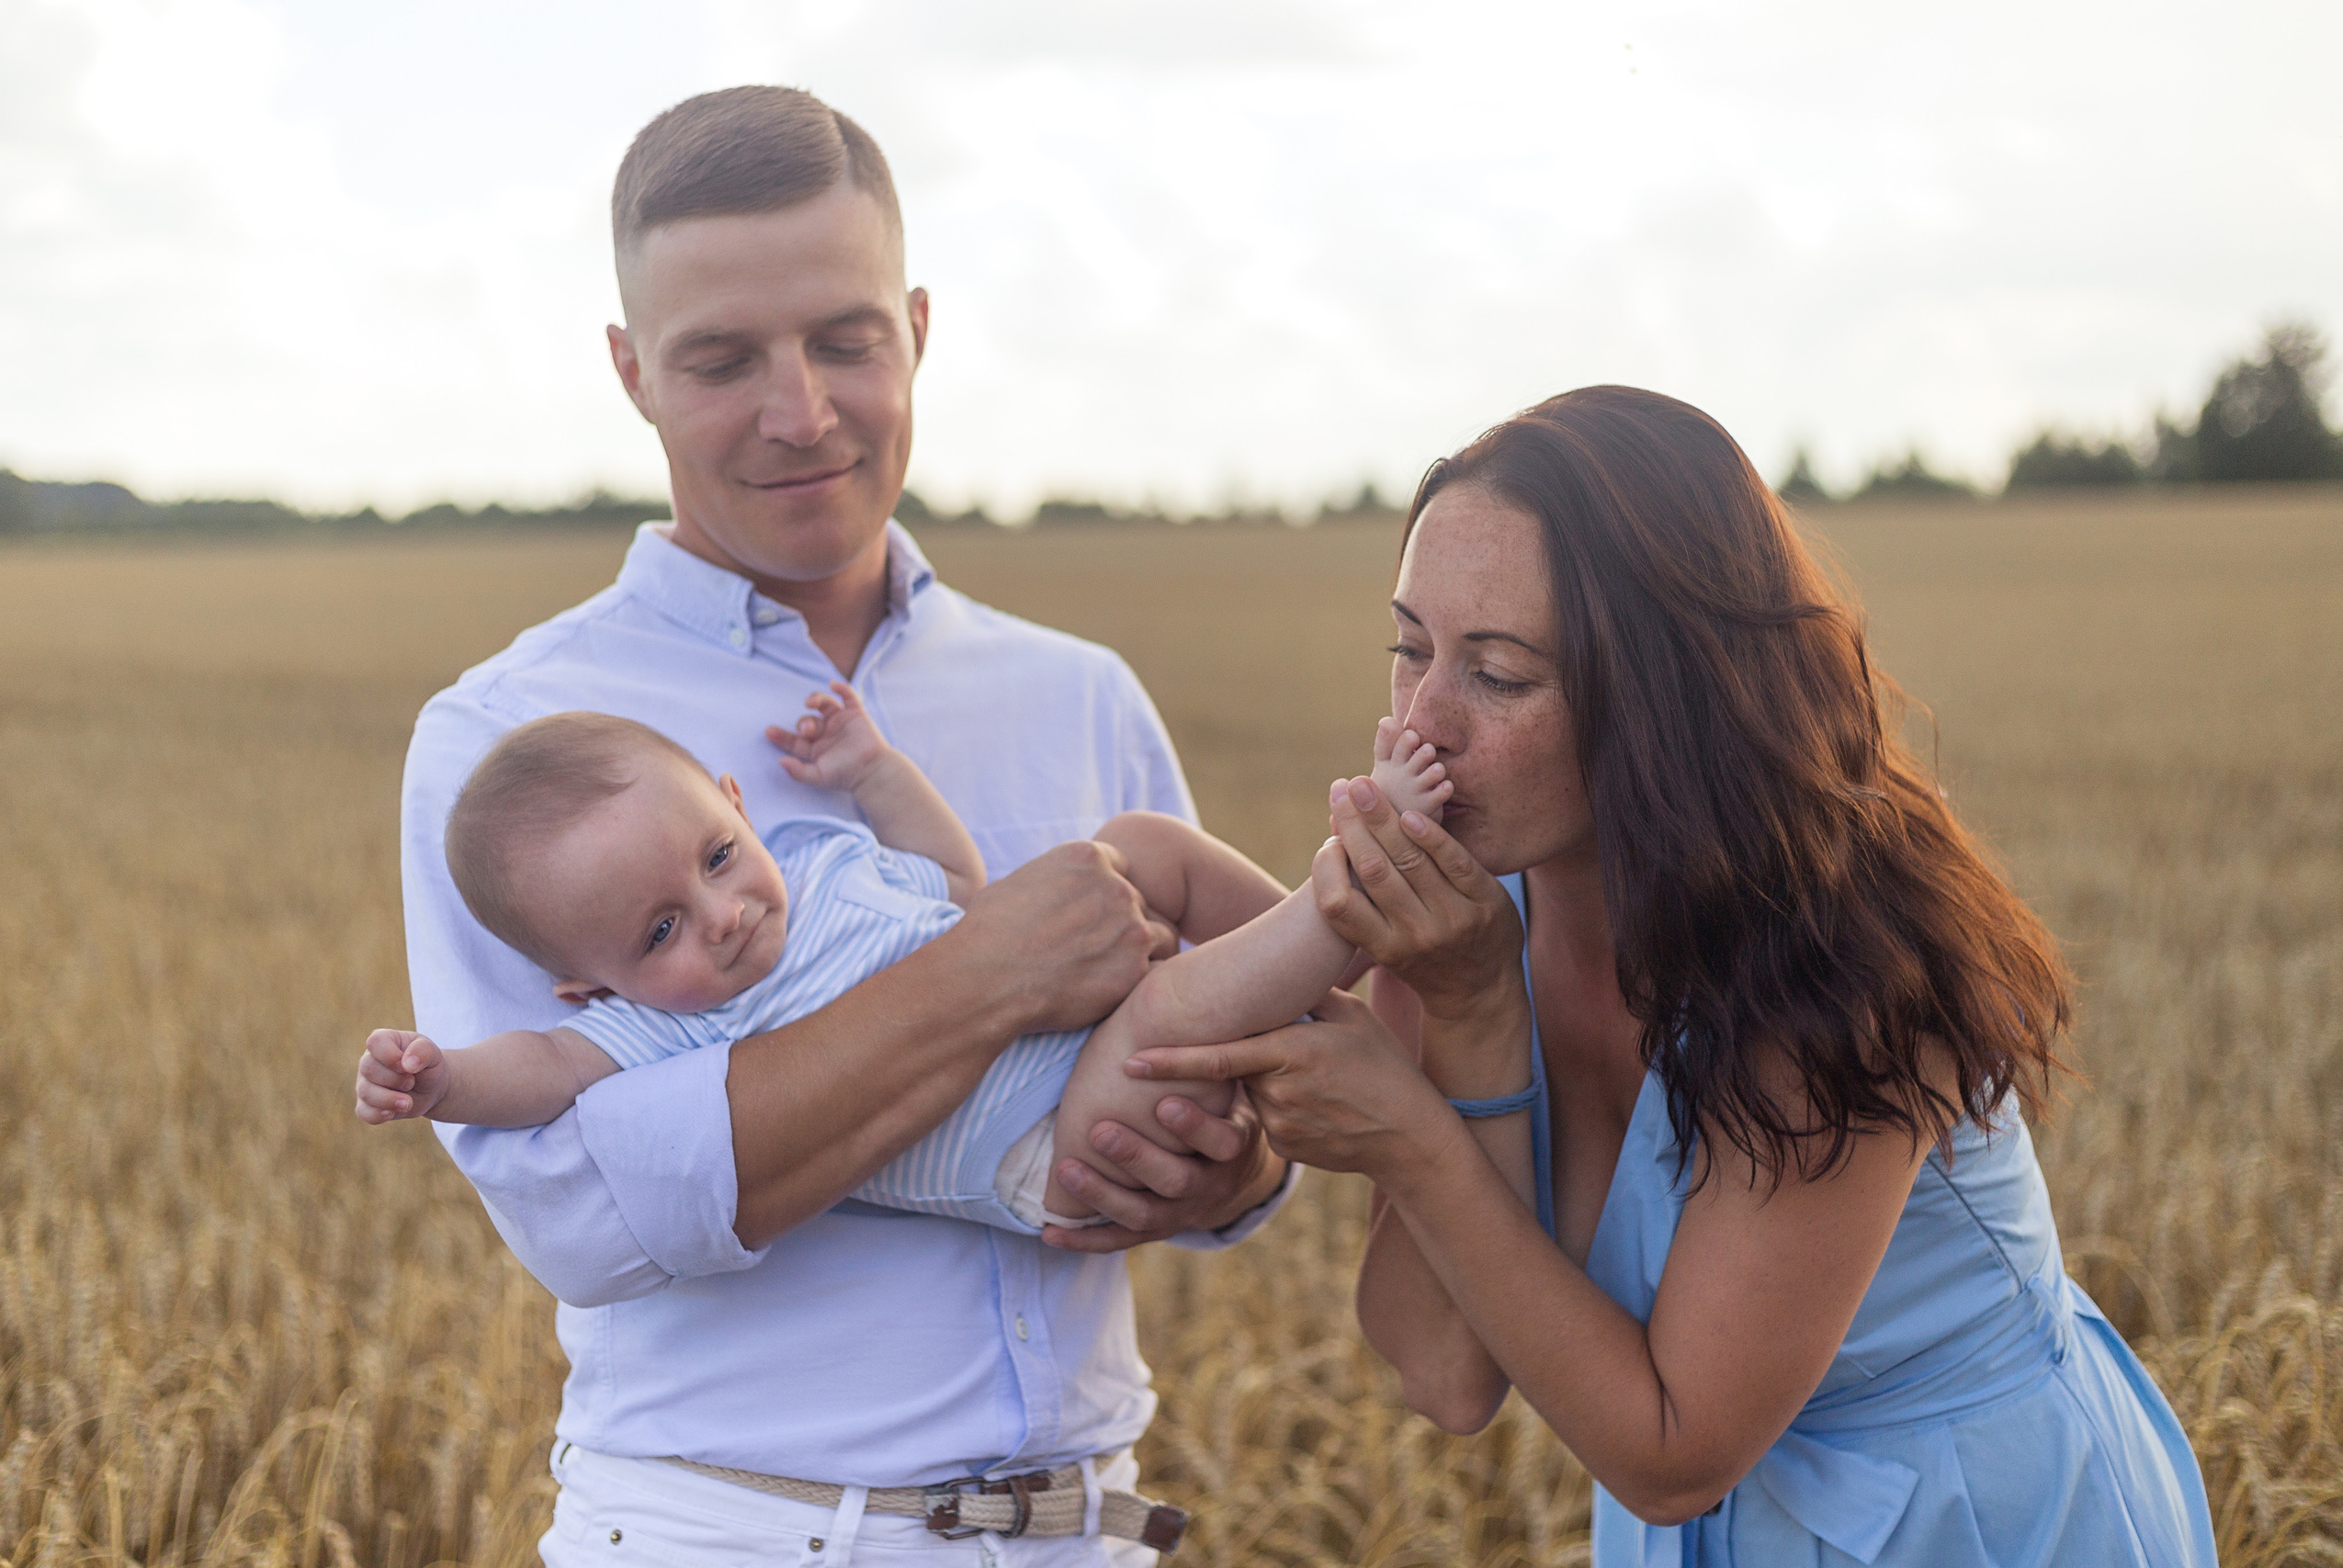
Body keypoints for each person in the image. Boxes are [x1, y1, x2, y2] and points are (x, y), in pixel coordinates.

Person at [397, 85, 1291, 1565]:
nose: (800, 410)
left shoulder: (1077, 693)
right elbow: (591, 1211)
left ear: (918, 329)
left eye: (845, 340)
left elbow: (1232, 1101)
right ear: (630, 371)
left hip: (1086, 1525)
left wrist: (1236, 1169)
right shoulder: (505, 743)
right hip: (725, 1533)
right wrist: (987, 974)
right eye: (722, 358)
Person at [1125, 388, 2219, 1564]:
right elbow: (1442, 1376)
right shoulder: (1467, 908)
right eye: (1408, 650)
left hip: (1976, 1518)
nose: (1420, 728)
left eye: (1497, 675)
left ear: (1667, 693)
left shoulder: (1837, 955)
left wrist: (1404, 1128)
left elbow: (1670, 1451)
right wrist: (1470, 1005)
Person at [366, 697, 1448, 1230]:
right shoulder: (658, 1026)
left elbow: (955, 881)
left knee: (1141, 844)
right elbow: (544, 1071)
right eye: (657, 932)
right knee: (1167, 1006)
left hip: (1071, 1048)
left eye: (715, 858)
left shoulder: (823, 863)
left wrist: (875, 771)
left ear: (741, 809)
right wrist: (445, 1081)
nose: (719, 917)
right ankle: (1352, 896)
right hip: (1039, 1147)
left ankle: (1343, 971)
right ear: (588, 985)